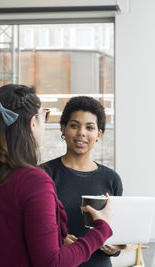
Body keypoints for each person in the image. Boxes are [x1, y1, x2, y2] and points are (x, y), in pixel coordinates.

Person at [0, 84, 113, 267]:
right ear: (33, 122)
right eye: (44, 116)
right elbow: (52, 263)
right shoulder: (34, 182)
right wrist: (101, 230)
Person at [42, 96, 124, 267]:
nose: (81, 133)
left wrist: (115, 248)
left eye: (90, 127)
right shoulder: (43, 175)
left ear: (99, 134)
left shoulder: (112, 179)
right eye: (74, 125)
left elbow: (115, 231)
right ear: (63, 129)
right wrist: (57, 240)